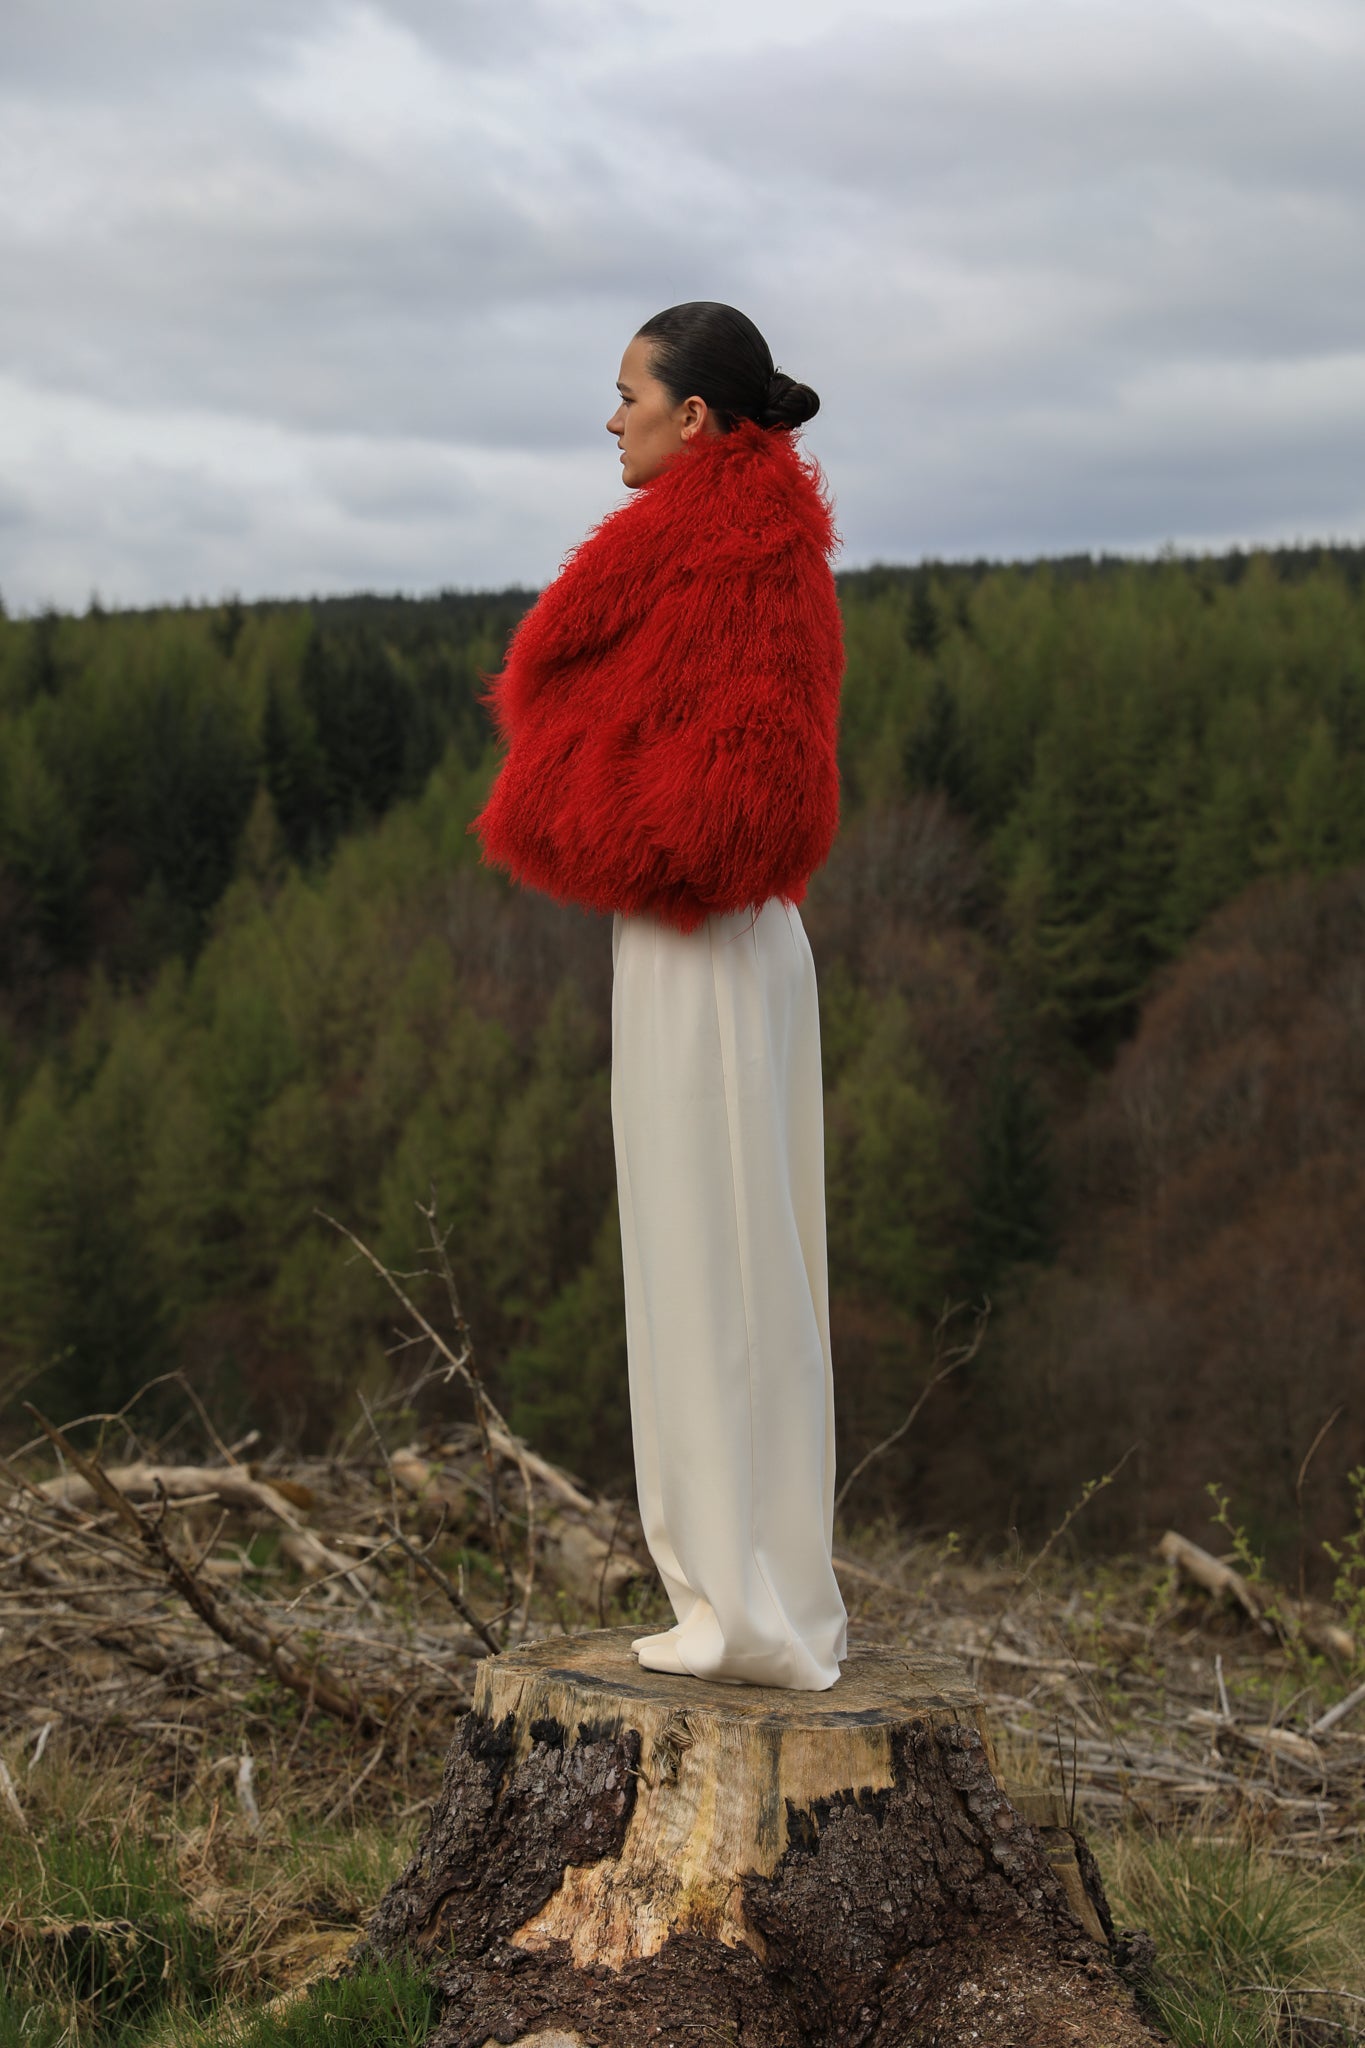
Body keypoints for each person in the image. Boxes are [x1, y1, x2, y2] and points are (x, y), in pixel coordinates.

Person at [472, 302, 848, 1690]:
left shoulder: (736, 554)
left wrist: (601, 816)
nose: (610, 415)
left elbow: (748, 788)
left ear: (694, 416)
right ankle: (746, 1595)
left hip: (709, 924)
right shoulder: (721, 544)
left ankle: (742, 1609)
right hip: (699, 929)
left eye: (627, 391)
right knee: (720, 1252)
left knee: (722, 1252)